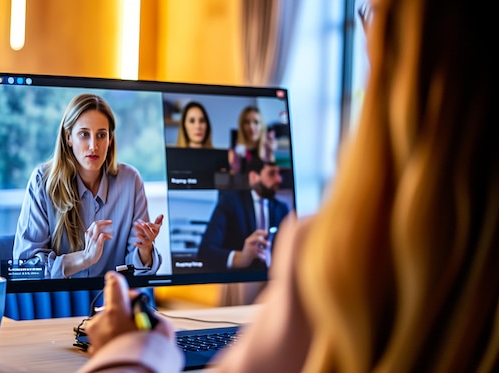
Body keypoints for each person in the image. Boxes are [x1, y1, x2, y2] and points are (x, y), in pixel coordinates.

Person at [77, 0, 499, 371]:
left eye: (373, 14)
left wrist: (134, 348)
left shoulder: (333, 256)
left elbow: (143, 261)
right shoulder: (234, 206)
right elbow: (206, 249)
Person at [13, 93, 163, 279]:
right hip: (57, 304)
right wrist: (84, 258)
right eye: (84, 134)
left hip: (110, 302)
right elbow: (26, 268)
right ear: (68, 137)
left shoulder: (130, 181)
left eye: (101, 135)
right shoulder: (42, 181)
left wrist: (146, 250)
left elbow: (136, 271)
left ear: (110, 140)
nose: (94, 146)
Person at [198, 157, 290, 305]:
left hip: (274, 286)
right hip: (239, 287)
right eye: (272, 173)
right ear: (254, 177)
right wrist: (240, 257)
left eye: (280, 174)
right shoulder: (230, 202)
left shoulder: (282, 208)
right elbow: (205, 251)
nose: (279, 179)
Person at [228, 105, 277, 174]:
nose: (251, 127)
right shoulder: (235, 150)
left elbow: (274, 174)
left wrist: (270, 153)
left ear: (262, 126)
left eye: (256, 122)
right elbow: (233, 174)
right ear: (242, 126)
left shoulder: (269, 145)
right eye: (247, 122)